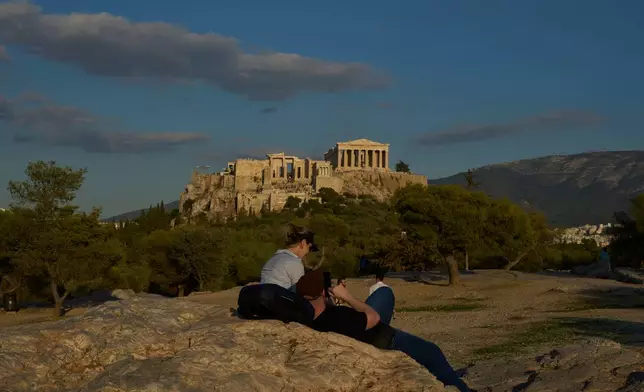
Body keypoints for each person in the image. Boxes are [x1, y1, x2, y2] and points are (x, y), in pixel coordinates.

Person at [296, 269, 470, 392]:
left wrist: (330, 301)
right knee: (433, 352)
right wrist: (346, 297)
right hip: (385, 340)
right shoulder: (339, 318)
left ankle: (447, 375)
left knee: (382, 294)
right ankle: (457, 385)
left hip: (360, 329)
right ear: (323, 293)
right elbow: (373, 317)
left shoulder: (312, 317)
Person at [260, 223, 319, 291]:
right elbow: (302, 291)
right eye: (309, 247)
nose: (308, 252)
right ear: (303, 243)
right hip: (281, 300)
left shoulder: (272, 259)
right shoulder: (294, 263)